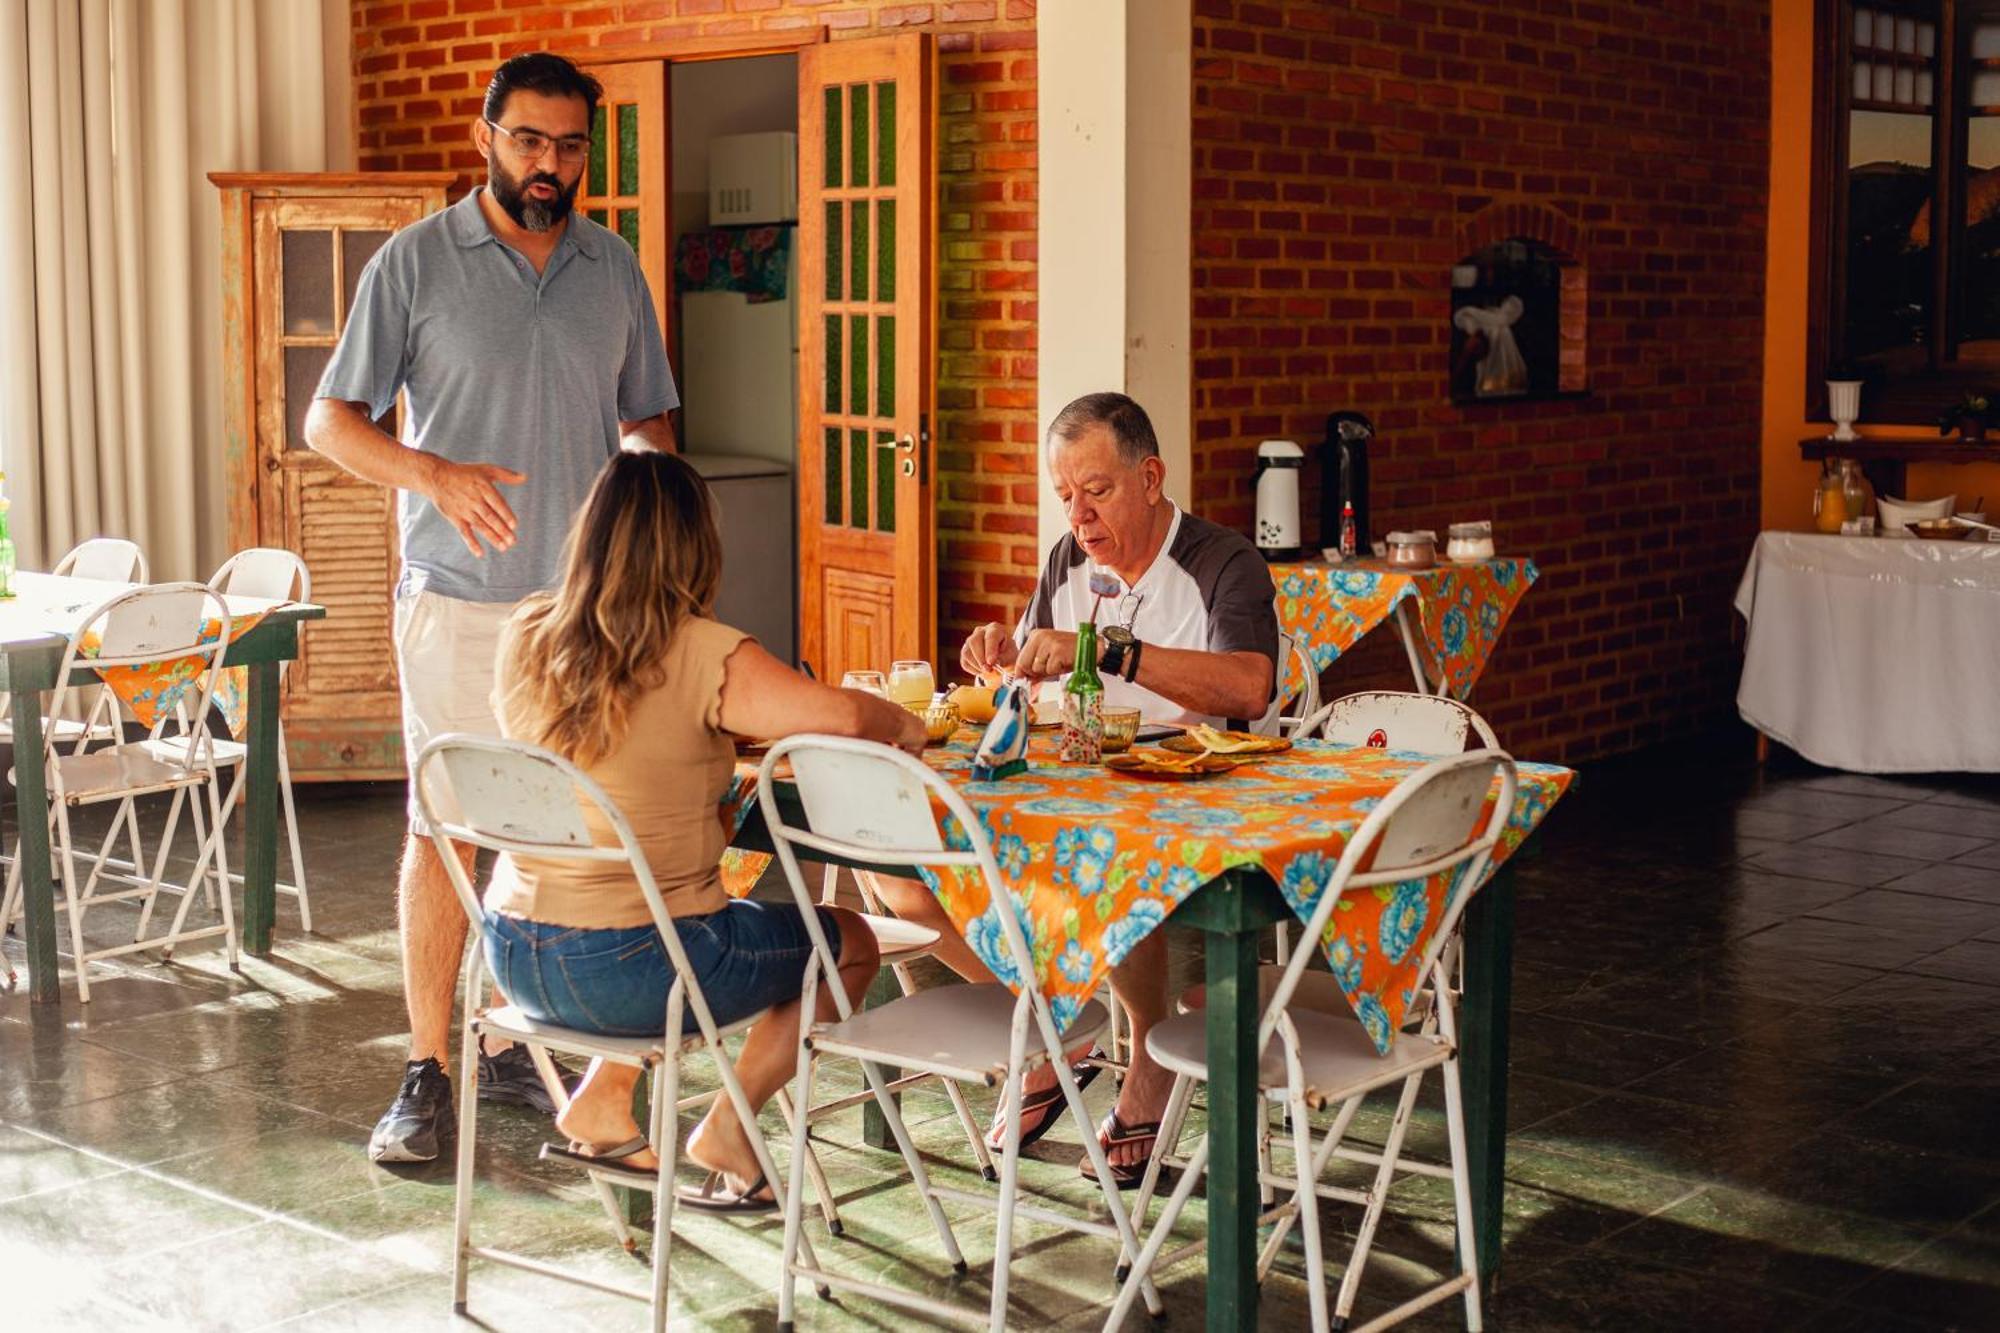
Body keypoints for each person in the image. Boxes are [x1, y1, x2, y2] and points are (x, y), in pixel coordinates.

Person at [304, 52, 680, 1164]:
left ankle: (521, 1040)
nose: (550, 166)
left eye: (569, 146)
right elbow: (331, 421)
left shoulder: (612, 268)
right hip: (461, 608)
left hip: (590, 614)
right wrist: (432, 473)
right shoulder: (415, 263)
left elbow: (648, 421)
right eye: (529, 141)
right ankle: (427, 1069)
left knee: (579, 830)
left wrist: (646, 508)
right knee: (450, 832)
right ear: (486, 136)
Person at [489, 449, 916, 1206]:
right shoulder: (703, 652)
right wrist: (905, 722)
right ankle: (730, 1122)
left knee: (653, 902)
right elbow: (846, 714)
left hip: (516, 950)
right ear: (695, 546)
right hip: (633, 964)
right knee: (848, 941)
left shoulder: (527, 633)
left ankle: (604, 1094)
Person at [875, 391, 1279, 1187]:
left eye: (1095, 491)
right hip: (1072, 789)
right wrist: (1002, 652)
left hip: (1182, 804)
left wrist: (1111, 649)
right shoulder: (1067, 559)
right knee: (904, 874)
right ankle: (1058, 1025)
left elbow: (1250, 686)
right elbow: (1036, 668)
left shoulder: (1222, 561)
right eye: (1065, 496)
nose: (1079, 514)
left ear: (1151, 477)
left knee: (1103, 865)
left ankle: (1143, 1057)